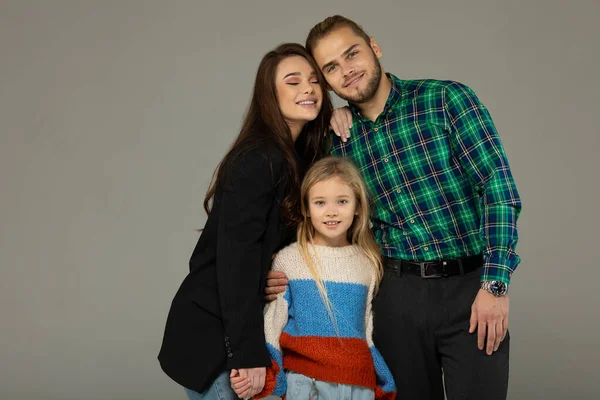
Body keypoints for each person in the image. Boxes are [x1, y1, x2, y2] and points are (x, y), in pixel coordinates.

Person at [266, 16, 522, 400]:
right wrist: (270, 271)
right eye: (331, 68)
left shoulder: (446, 100)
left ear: (374, 46)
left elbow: (499, 190)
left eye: (351, 54)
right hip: (395, 295)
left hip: (470, 289)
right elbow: (311, 211)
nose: (346, 72)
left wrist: (495, 285)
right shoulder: (337, 140)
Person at [158, 43, 333, 400]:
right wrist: (248, 356)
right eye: (293, 81)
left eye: (314, 80)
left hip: (246, 329)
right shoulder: (259, 158)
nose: (308, 88)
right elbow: (233, 262)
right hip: (217, 339)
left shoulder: (295, 159)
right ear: (270, 95)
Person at [231, 156, 396, 400]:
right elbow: (272, 323)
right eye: (320, 202)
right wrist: (263, 375)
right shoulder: (290, 259)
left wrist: (382, 379)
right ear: (306, 209)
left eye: (342, 201)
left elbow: (366, 330)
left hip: (358, 385)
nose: (331, 212)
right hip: (307, 382)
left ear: (358, 206)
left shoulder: (367, 264)